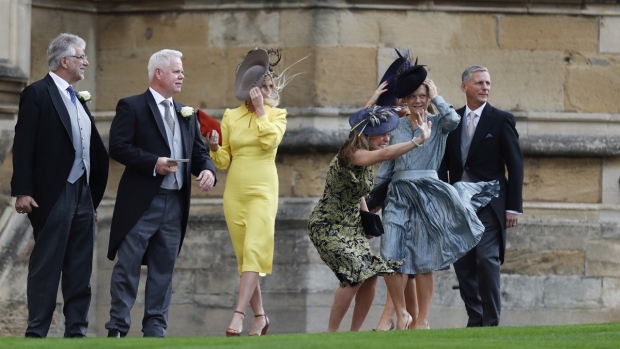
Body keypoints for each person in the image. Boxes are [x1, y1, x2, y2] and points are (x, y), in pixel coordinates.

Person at [375, 61, 500, 330]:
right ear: (406, 99)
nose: (419, 101)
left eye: (423, 96)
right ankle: (401, 312)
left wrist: (437, 96)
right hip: (398, 194)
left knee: (423, 260)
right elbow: (387, 164)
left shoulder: (438, 122)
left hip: (428, 194)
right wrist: (373, 199)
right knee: (390, 256)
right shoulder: (395, 126)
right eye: (414, 97)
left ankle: (423, 320)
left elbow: (454, 120)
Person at [105, 49, 217, 338]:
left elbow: (198, 153)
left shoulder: (186, 112)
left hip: (175, 203)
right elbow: (117, 146)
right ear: (158, 73)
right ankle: (117, 327)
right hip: (142, 202)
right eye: (177, 71)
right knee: (127, 266)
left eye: (182, 71)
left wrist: (207, 171)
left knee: (163, 269)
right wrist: (152, 163)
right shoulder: (131, 106)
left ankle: (155, 330)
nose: (182, 75)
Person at [11, 33, 109, 338]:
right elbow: (24, 143)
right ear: (64, 61)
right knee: (47, 265)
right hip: (54, 192)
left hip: (83, 193)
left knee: (81, 266)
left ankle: (76, 332)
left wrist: (92, 199)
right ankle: (36, 332)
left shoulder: (78, 98)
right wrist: (22, 190)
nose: (86, 63)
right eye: (81, 57)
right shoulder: (37, 93)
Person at [307, 105, 432, 332]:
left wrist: (366, 219)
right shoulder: (353, 154)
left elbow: (359, 192)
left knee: (371, 275)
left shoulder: (364, 155)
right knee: (355, 272)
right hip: (328, 224)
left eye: (387, 133)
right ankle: (331, 334)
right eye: (382, 134)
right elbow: (385, 154)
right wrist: (418, 140)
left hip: (352, 225)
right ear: (366, 135)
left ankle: (355, 334)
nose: (386, 138)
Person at [206, 48, 296, 337]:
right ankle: (261, 316)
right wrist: (213, 147)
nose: (268, 91)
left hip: (263, 189)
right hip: (235, 192)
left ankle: (238, 315)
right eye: (264, 86)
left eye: (271, 86)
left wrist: (260, 111)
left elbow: (270, 142)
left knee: (254, 251)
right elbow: (223, 161)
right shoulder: (230, 116)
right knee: (246, 258)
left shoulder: (277, 114)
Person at [439, 65, 524, 327]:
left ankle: (491, 321)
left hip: (490, 203)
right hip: (459, 205)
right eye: (479, 83)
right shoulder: (452, 120)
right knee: (464, 266)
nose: (485, 87)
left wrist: (514, 207)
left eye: (488, 83)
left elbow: (516, 164)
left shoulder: (502, 119)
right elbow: (443, 164)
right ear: (465, 87)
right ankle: (475, 318)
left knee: (486, 260)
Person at [364, 50, 419, 331]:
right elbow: (358, 131)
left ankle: (396, 317)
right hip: (392, 192)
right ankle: (407, 317)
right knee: (396, 256)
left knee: (402, 256)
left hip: (417, 192)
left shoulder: (418, 118)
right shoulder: (387, 118)